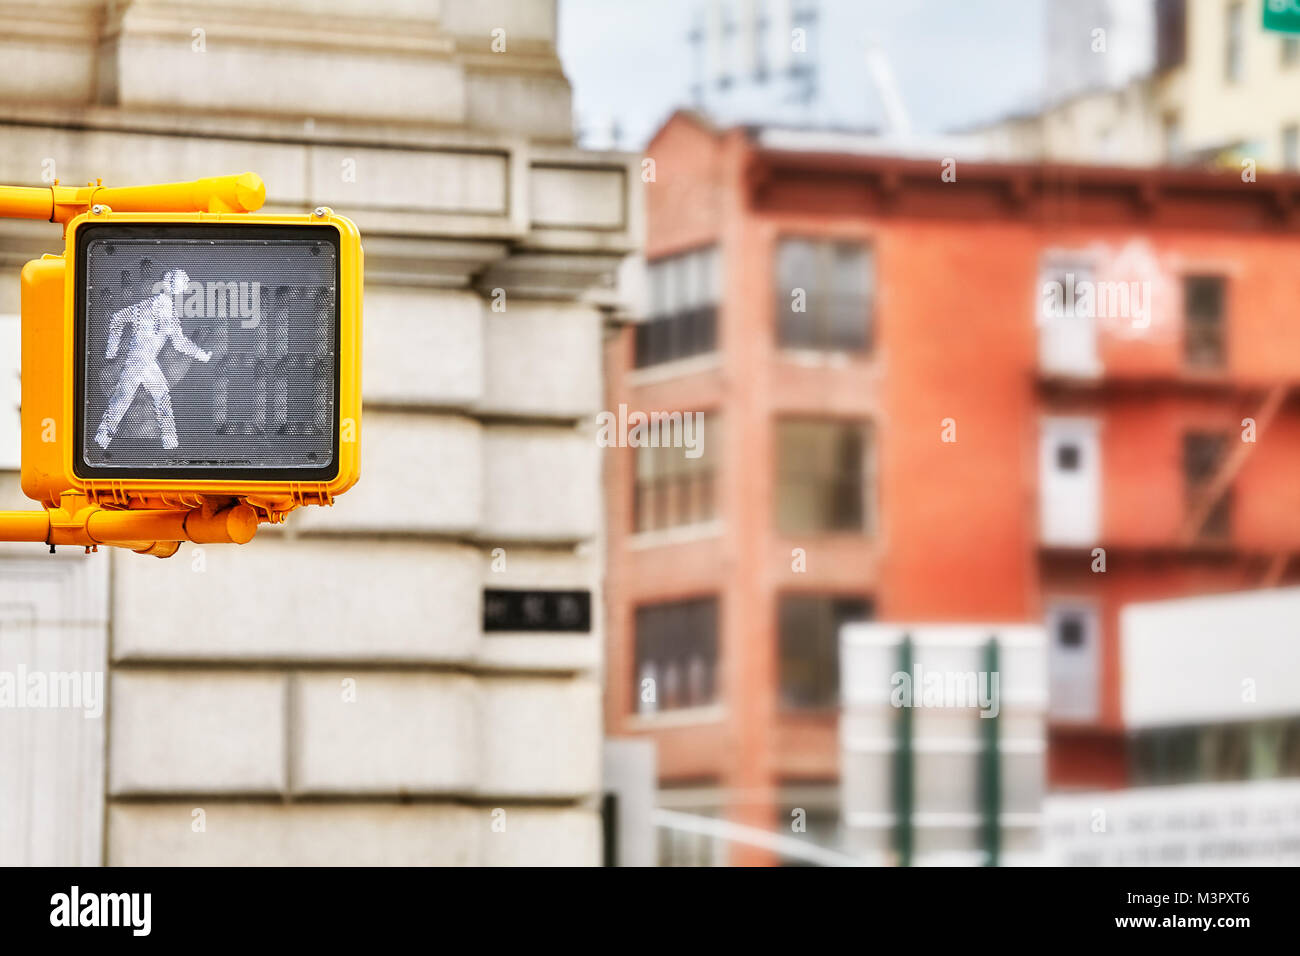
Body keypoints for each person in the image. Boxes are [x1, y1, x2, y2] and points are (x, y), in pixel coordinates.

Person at [94, 268, 211, 451]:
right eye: (183, 284)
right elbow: (117, 318)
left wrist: (201, 355)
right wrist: (112, 352)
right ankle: (102, 439)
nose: (183, 288)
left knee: (156, 396)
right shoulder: (145, 307)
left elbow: (179, 343)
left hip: (148, 363)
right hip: (136, 362)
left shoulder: (169, 312)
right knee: (125, 400)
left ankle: (168, 442)